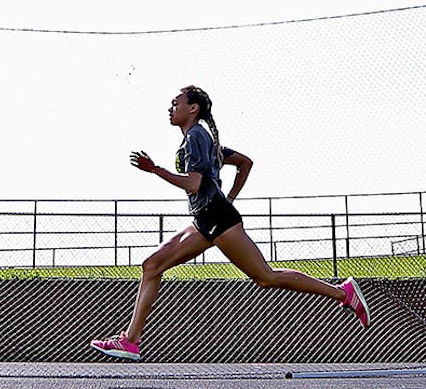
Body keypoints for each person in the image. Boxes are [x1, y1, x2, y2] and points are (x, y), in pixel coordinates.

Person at [89, 85, 368, 360]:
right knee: (152, 265)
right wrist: (230, 196)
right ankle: (131, 341)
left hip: (218, 219)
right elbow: (244, 163)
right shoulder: (202, 138)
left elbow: (195, 184)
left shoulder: (196, 136)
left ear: (193, 108)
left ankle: (343, 294)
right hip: (205, 219)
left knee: (265, 277)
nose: (170, 108)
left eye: (176, 103)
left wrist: (155, 170)